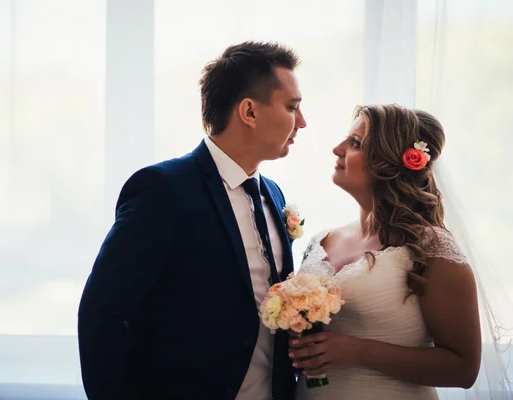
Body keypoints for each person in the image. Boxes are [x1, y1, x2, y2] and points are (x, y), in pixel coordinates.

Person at [77, 41, 307, 400]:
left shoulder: (273, 194)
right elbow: (102, 314)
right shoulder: (162, 191)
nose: (302, 122)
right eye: (292, 107)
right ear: (249, 111)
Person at [290, 104, 485, 399]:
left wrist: (359, 351)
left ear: (388, 163)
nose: (337, 149)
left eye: (355, 143)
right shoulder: (322, 240)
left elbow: (464, 368)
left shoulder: (431, 248)